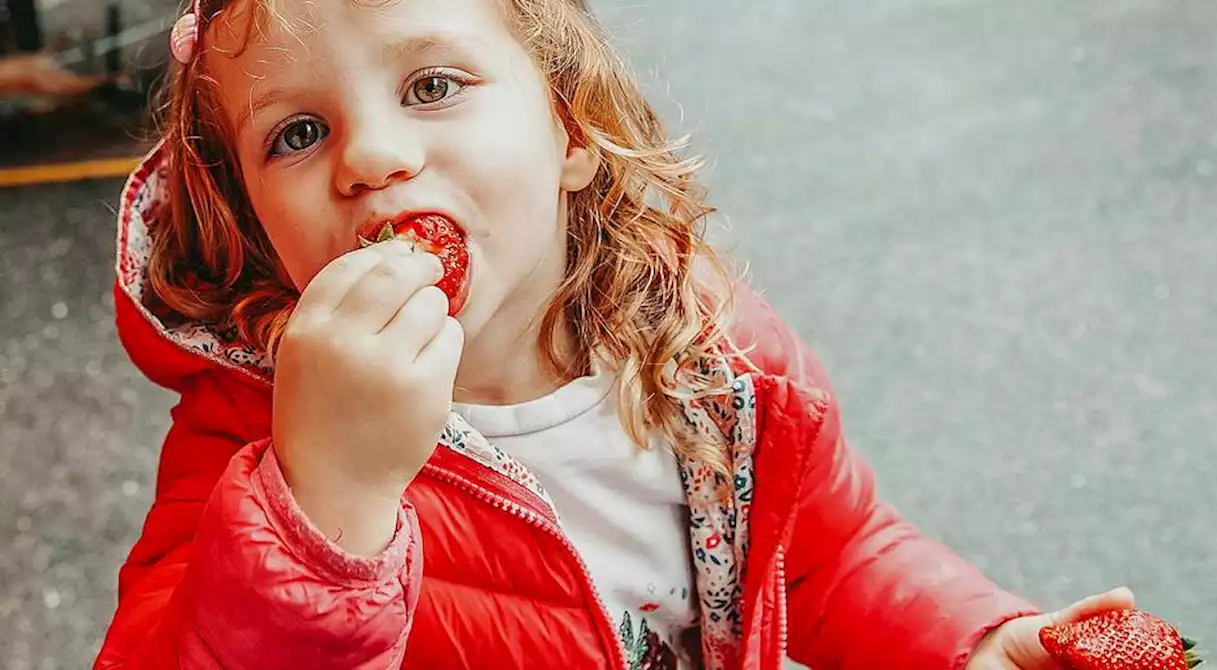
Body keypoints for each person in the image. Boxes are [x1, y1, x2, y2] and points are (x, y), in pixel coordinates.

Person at [95, 0, 1137, 667]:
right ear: (263, 233)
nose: (370, 155)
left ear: (573, 136)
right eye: (298, 133)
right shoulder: (251, 448)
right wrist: (326, 500)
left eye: (432, 85)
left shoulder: (711, 355)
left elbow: (826, 556)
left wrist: (974, 641)